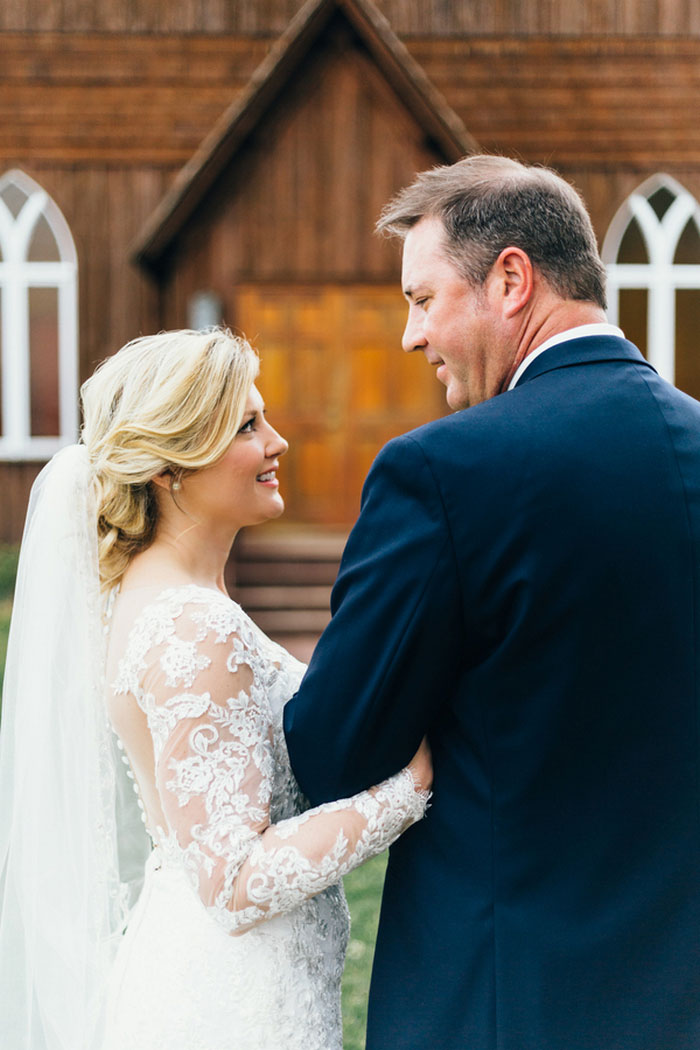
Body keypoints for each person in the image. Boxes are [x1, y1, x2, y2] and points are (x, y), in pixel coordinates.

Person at [284, 154, 700, 1050]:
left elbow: (331, 752)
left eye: (423, 299)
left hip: (500, 1005)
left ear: (511, 279)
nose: (410, 335)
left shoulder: (441, 473)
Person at [0, 328, 431, 1050]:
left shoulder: (162, 598)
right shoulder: (193, 625)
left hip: (221, 978)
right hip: (234, 1006)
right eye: (247, 426)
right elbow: (235, 881)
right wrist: (409, 791)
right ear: (171, 468)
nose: (278, 442)